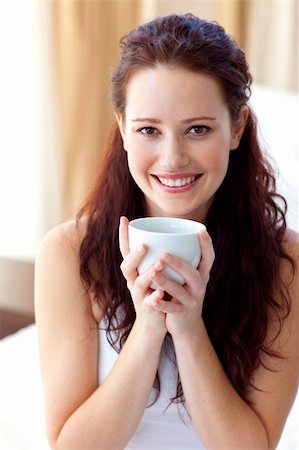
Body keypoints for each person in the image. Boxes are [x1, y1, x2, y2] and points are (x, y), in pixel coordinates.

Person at [35, 13, 298, 450]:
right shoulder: (67, 253)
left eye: (198, 129)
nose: (172, 158)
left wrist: (189, 327)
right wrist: (149, 327)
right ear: (122, 129)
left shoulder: (285, 261)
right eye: (148, 131)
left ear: (236, 127)